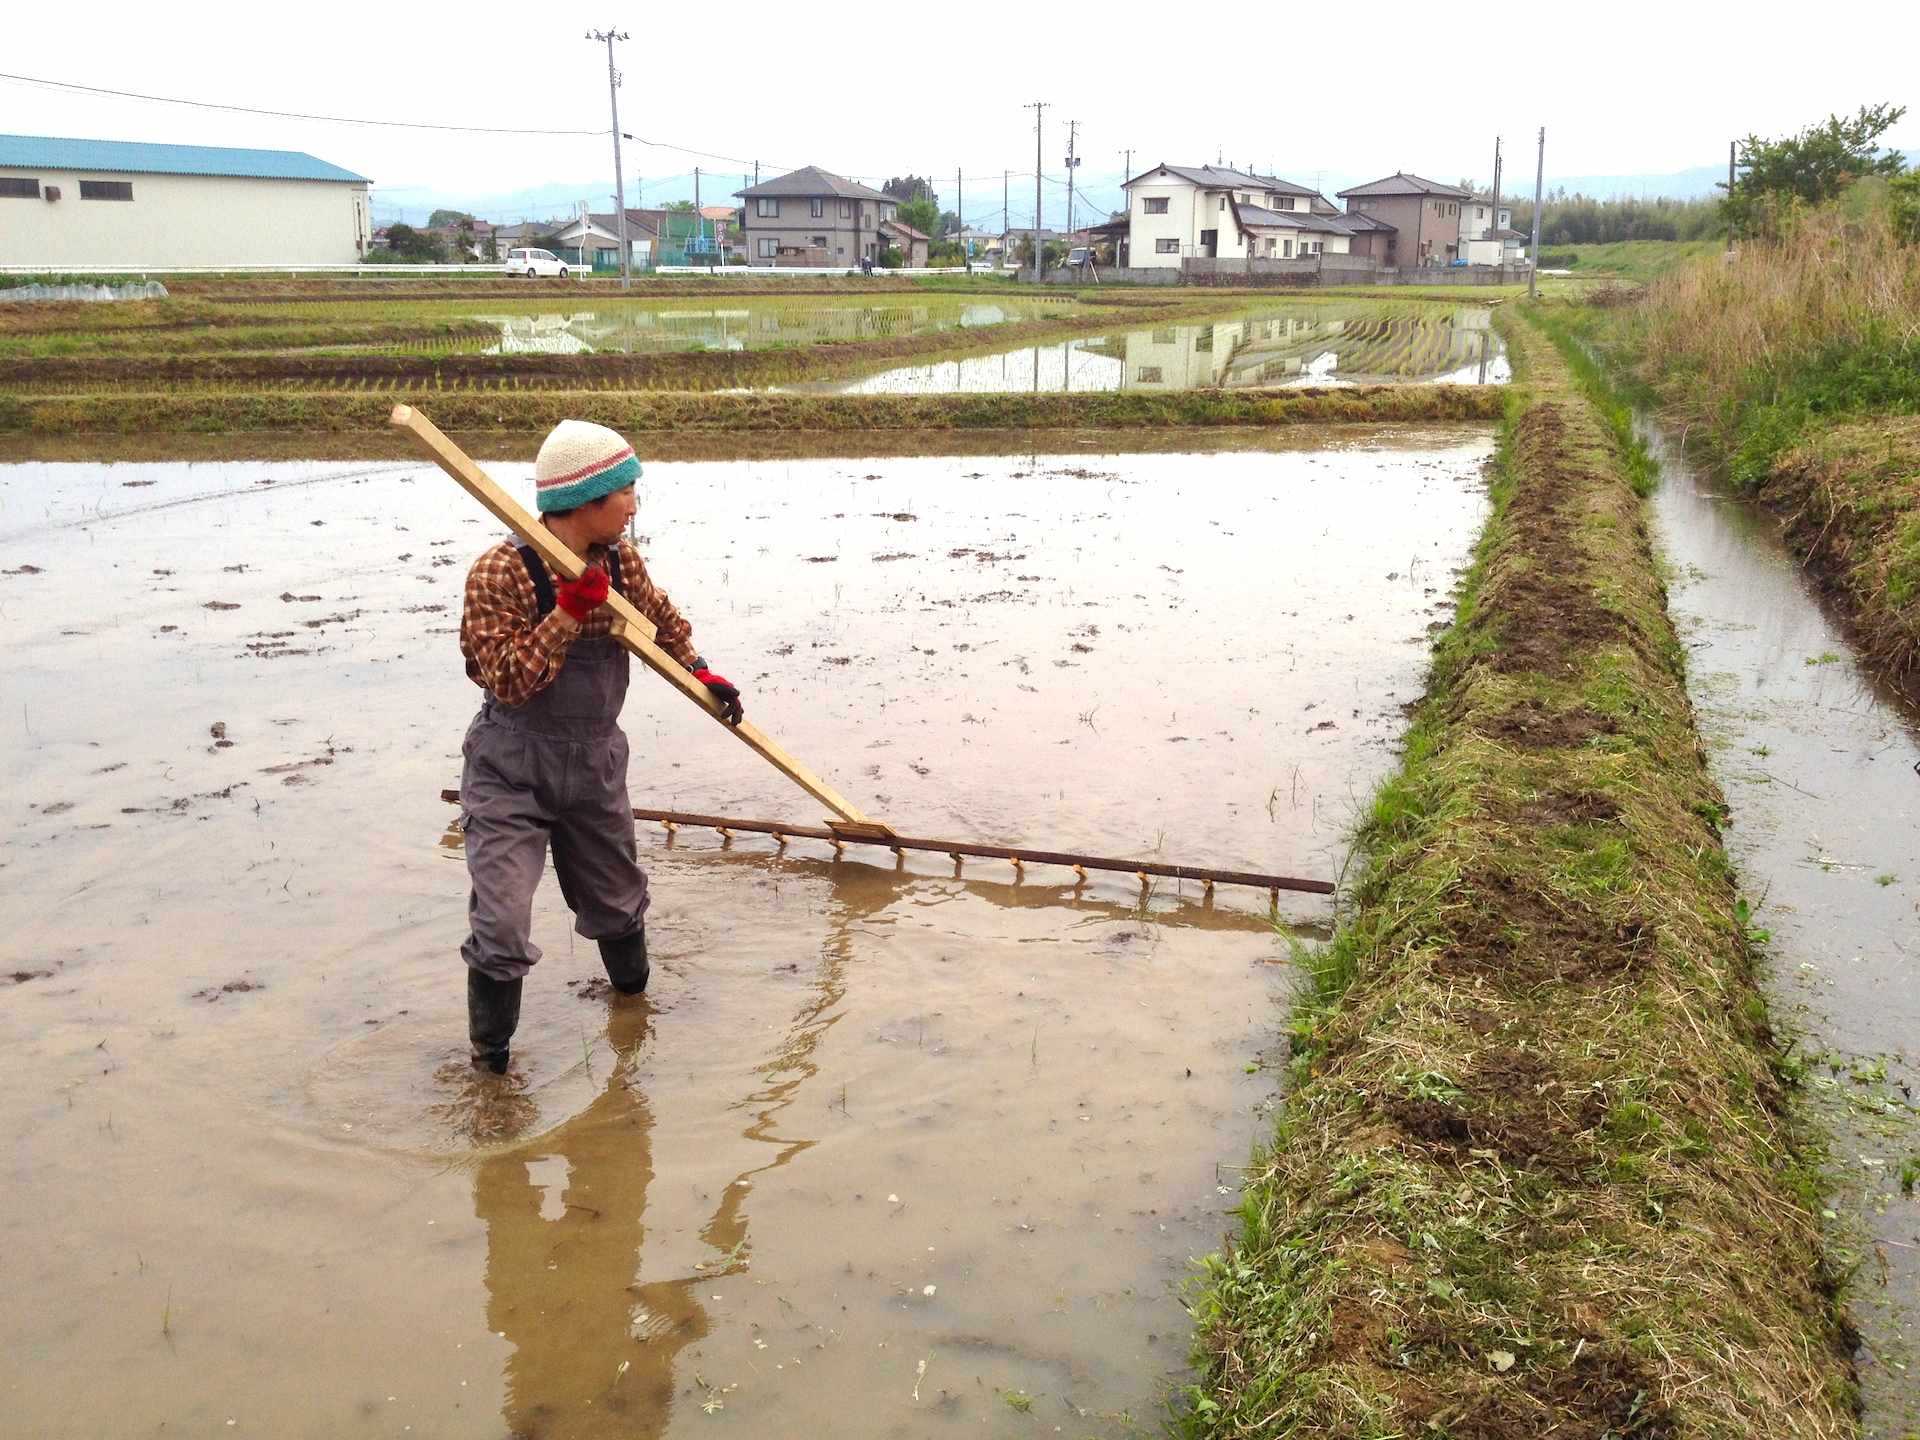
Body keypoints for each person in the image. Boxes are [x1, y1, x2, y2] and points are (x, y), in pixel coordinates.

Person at [456, 420, 744, 1074]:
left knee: (618, 905)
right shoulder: (501, 572)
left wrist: (701, 672)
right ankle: (490, 1076)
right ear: (587, 501)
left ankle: (634, 1027)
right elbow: (508, 681)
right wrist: (564, 615)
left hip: (594, 767)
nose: (635, 505)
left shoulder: (619, 562)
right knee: (501, 926)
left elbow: (663, 624)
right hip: (511, 772)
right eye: (626, 493)